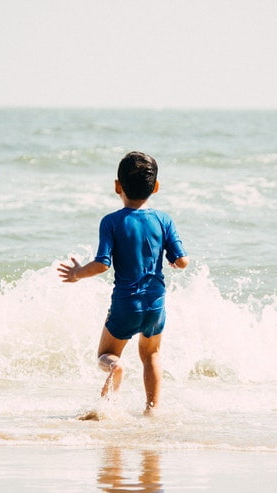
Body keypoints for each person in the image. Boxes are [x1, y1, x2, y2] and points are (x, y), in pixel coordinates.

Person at [58, 151, 189, 415]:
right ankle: (152, 410)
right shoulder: (164, 220)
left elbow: (103, 264)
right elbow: (182, 261)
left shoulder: (111, 222)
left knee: (106, 356)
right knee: (151, 355)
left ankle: (114, 372)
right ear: (156, 187)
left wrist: (77, 273)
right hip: (155, 304)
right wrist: (173, 262)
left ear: (117, 186)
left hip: (125, 304)